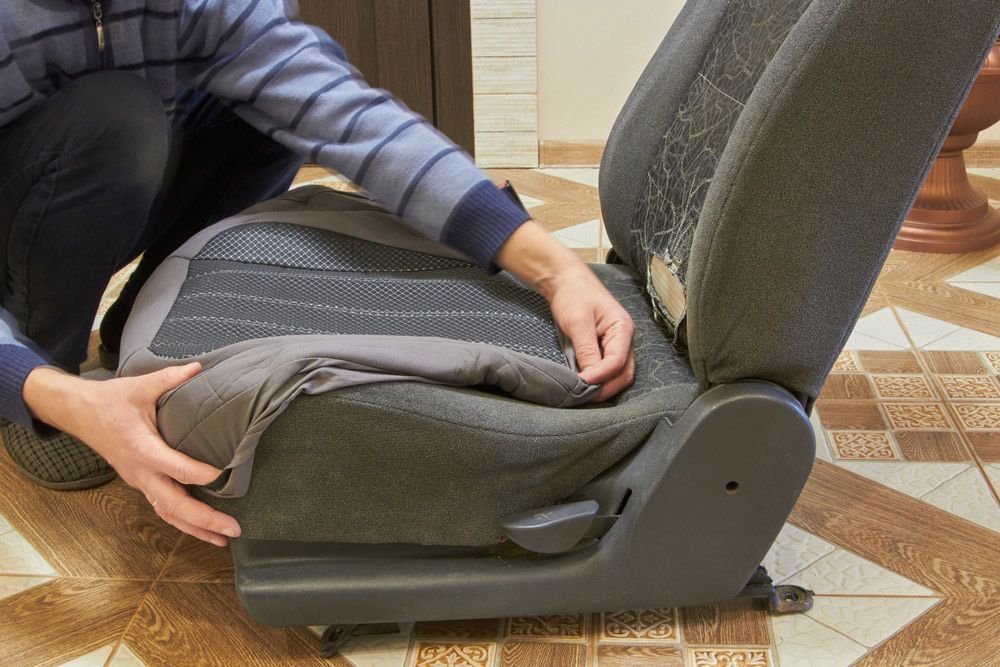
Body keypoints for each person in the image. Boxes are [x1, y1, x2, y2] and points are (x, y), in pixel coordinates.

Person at [0, 0, 635, 548]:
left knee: (263, 105)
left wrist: (553, 269)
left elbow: (340, 112)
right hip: (28, 205)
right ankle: (43, 363)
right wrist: (51, 393)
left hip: (102, 172)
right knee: (115, 117)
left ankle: (136, 321)